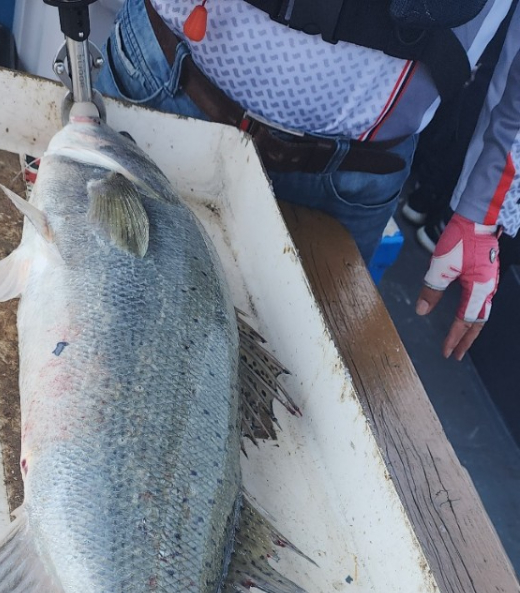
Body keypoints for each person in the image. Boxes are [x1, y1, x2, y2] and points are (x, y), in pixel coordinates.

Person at [96, 0, 520, 360]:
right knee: (95, 320)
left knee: (286, 384)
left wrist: (484, 209)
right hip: (162, 76)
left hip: (353, 176)